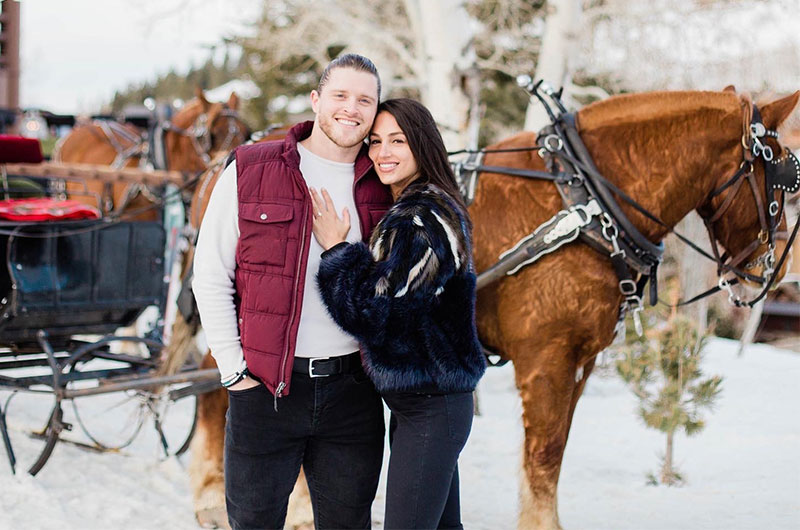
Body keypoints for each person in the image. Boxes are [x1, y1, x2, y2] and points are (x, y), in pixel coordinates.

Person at [192, 54, 393, 530]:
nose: (352, 108)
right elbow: (210, 275)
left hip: (354, 395)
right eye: (341, 95)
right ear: (316, 100)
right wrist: (235, 373)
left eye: (365, 99)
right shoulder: (251, 168)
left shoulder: (386, 184)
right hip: (266, 391)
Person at [310, 98, 487, 529]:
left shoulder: (420, 218)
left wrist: (336, 250)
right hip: (427, 404)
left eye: (397, 141)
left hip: (432, 405)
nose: (382, 153)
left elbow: (374, 312)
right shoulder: (424, 206)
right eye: (375, 142)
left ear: (422, 145)